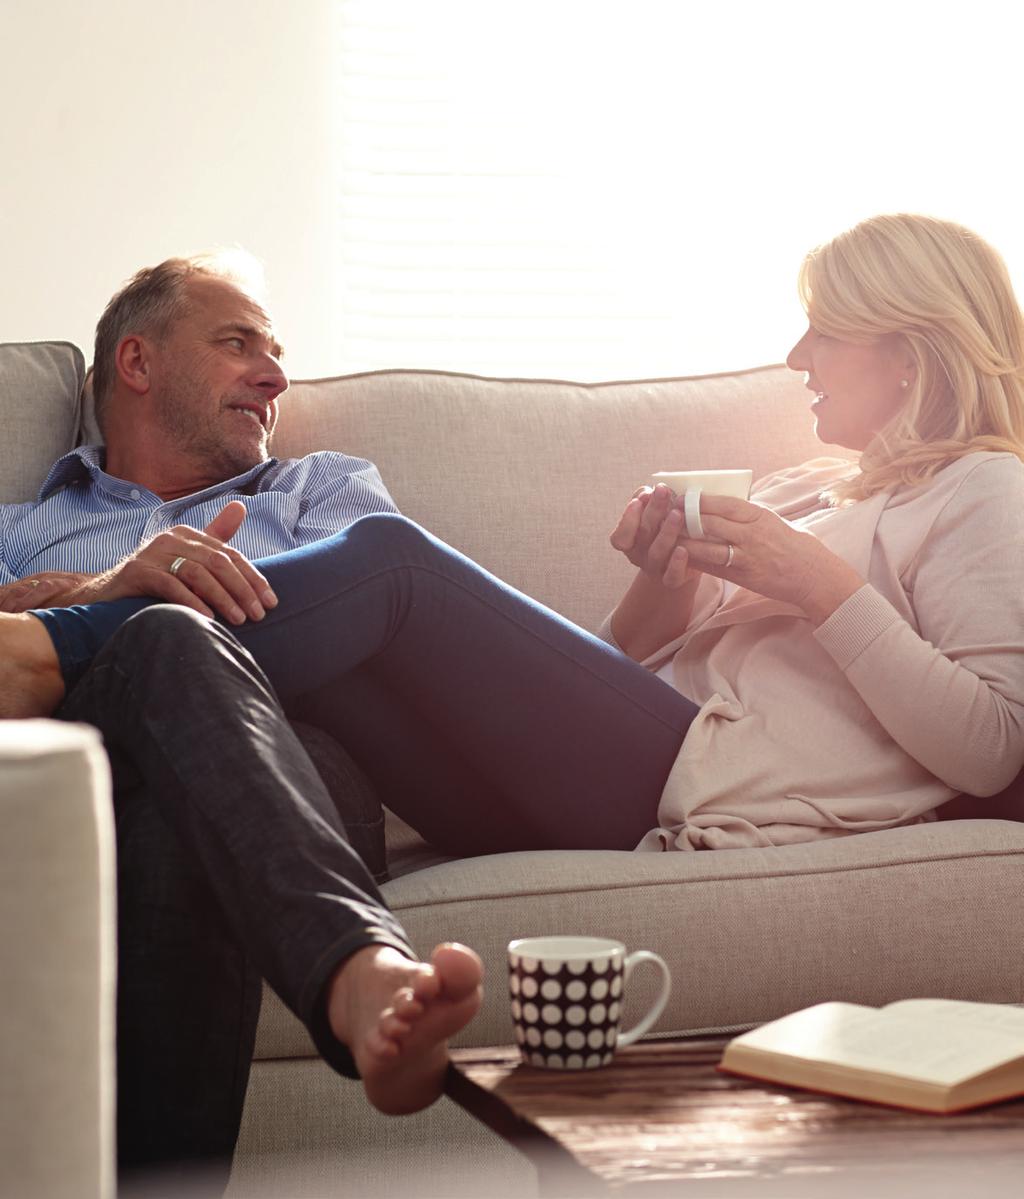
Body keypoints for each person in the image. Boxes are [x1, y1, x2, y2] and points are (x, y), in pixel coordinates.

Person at [3, 209, 1024, 1150]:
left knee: (385, 560)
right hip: (646, 757)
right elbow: (637, 667)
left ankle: (47, 652)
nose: (796, 355)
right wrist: (660, 585)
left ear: (909, 344)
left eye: (823, 329)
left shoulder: (984, 488)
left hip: (695, 777)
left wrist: (822, 586)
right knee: (181, 643)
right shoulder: (817, 490)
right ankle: (331, 951)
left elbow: (990, 742)